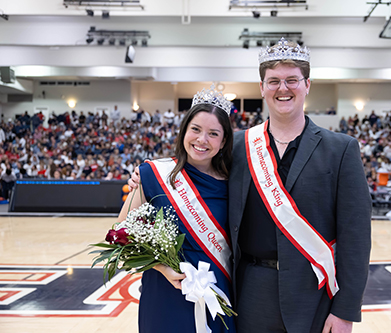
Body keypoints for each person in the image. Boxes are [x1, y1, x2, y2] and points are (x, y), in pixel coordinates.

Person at [130, 38, 371, 333]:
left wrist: (345, 311)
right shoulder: (241, 146)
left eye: (292, 80)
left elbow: (355, 237)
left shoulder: (342, 149)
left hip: (314, 294)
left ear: (307, 85)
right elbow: (196, 166)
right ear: (262, 88)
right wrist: (145, 177)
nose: (283, 89)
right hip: (250, 292)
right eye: (274, 81)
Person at [121, 86, 236, 333]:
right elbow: (120, 236)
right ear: (184, 131)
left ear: (224, 140)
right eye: (195, 129)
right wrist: (164, 268)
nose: (202, 140)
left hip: (217, 292)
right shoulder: (152, 174)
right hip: (165, 293)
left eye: (213, 133)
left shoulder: (236, 182)